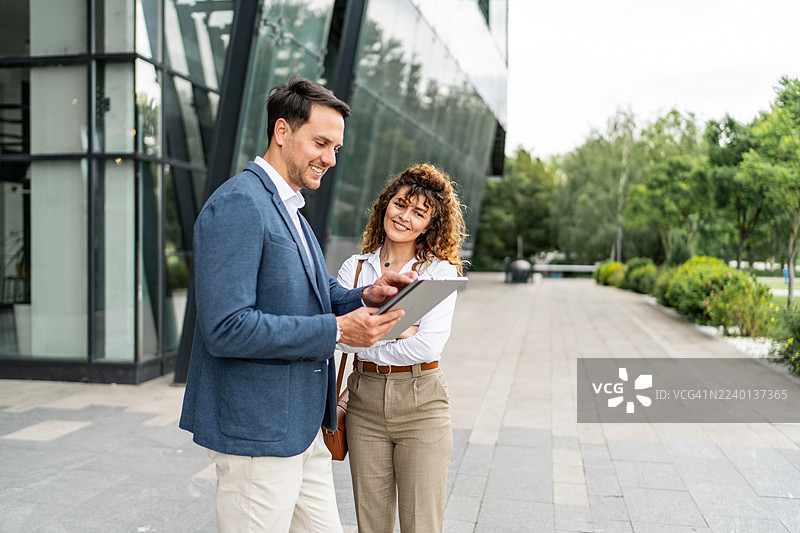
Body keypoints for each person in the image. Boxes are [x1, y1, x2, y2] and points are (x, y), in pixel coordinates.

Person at [179, 77, 417, 533]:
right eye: (321, 143)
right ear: (282, 131)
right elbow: (226, 328)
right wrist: (337, 331)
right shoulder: (239, 204)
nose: (330, 159)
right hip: (258, 435)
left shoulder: (290, 208)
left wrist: (368, 294)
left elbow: (318, 291)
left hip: (303, 430)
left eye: (336, 148)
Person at [336, 163, 467, 533]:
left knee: (421, 524)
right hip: (363, 402)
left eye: (419, 213)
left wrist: (369, 329)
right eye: (400, 204)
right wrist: (403, 328)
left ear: (429, 224)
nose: (405, 217)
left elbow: (427, 346)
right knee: (371, 525)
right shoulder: (355, 269)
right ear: (386, 205)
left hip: (421, 402)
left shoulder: (439, 273)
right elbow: (341, 337)